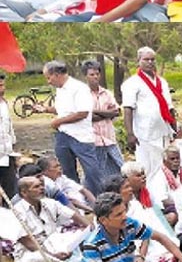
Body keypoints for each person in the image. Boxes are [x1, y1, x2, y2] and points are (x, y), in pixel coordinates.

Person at [32, 61, 102, 197]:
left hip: (80, 136)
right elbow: (63, 109)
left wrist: (58, 121)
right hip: (63, 135)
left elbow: (82, 113)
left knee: (92, 170)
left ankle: (97, 198)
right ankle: (75, 199)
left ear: (57, 75)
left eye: (49, 77)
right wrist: (46, 109)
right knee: (66, 171)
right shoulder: (60, 89)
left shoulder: (79, 88)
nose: (48, 81)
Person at [11, 176, 91, 262]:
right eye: (36, 187)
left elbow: (75, 216)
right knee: (39, 259)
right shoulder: (16, 213)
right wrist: (53, 256)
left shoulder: (50, 203)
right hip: (32, 253)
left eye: (41, 185)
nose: (42, 188)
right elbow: (30, 245)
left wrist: (91, 230)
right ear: (24, 193)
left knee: (80, 234)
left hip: (54, 244)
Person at [121, 47, 177, 176]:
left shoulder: (162, 82)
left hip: (163, 131)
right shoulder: (132, 83)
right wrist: (130, 134)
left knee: (164, 168)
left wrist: (174, 128)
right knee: (148, 169)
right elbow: (128, 108)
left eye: (152, 59)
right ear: (138, 61)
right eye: (146, 59)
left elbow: (170, 108)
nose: (150, 62)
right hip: (144, 134)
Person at [81, 60, 124, 179]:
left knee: (119, 169)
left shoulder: (107, 93)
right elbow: (85, 116)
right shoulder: (81, 94)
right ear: (85, 76)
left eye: (97, 74)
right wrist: (106, 114)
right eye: (91, 74)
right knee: (96, 175)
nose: (95, 77)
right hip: (93, 141)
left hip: (109, 139)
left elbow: (116, 112)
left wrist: (94, 111)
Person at [0, 73, 17, 198]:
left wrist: (13, 145)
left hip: (7, 154)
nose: (2, 88)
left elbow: (9, 128)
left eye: (2, 85)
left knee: (11, 192)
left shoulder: (4, 103)